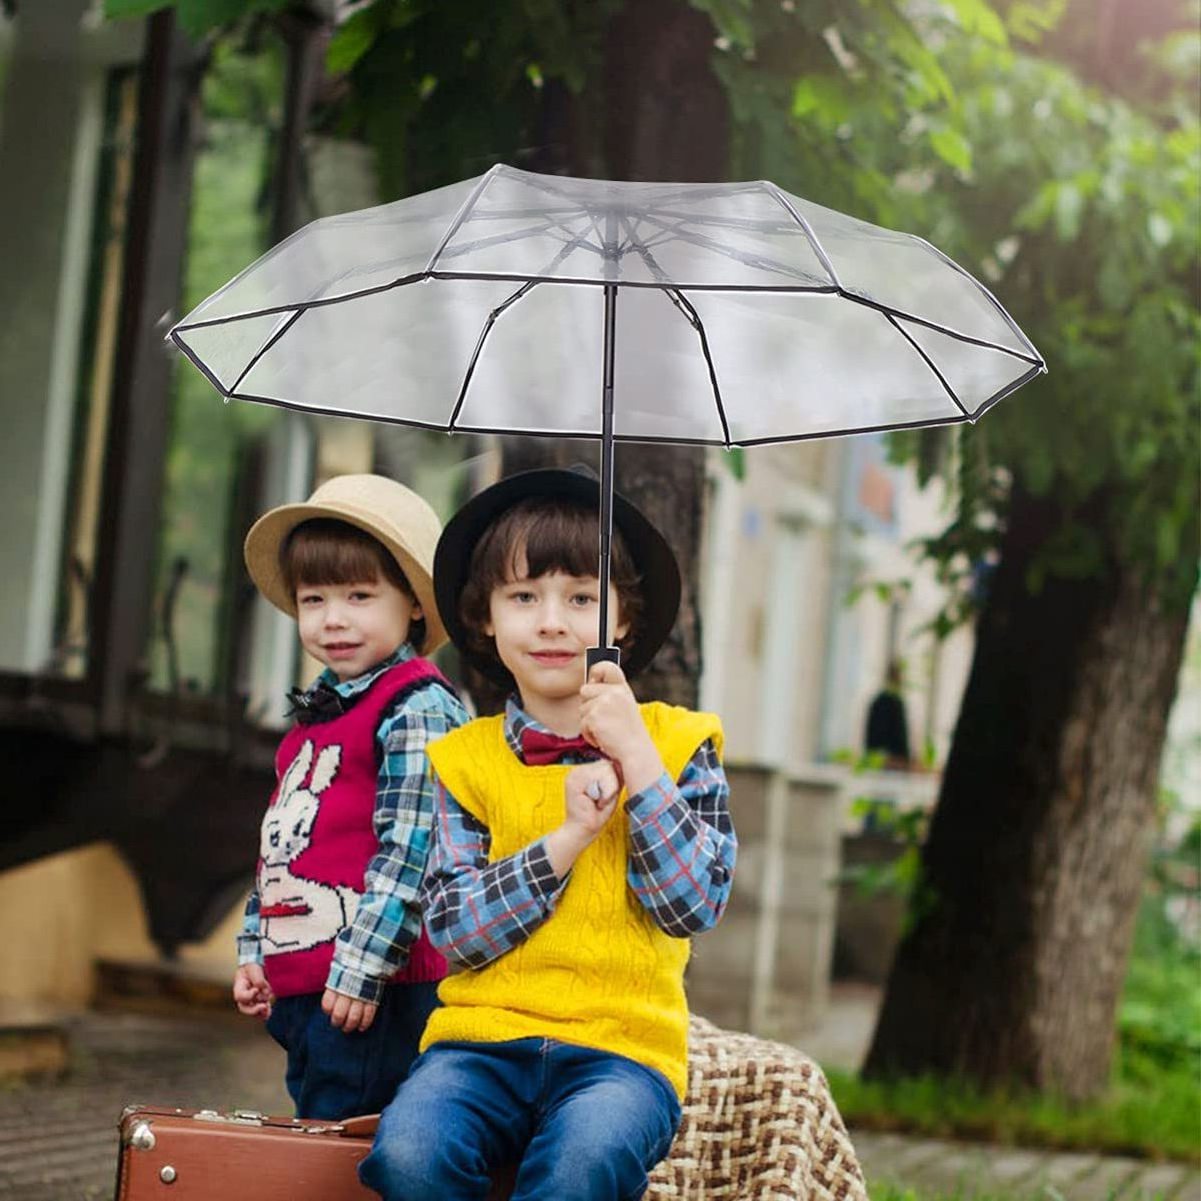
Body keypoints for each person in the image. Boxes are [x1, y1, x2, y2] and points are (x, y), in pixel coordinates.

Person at [359, 468, 739, 1201]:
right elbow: (456, 930)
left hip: (621, 1054)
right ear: (485, 618)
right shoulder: (464, 760)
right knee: (407, 1154)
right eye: (523, 596)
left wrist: (638, 763)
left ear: (622, 620)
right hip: (478, 1044)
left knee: (580, 1166)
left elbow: (692, 906)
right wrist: (564, 839)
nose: (552, 621)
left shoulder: (679, 743)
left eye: (581, 598)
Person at [231, 473, 468, 1120]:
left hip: (376, 988)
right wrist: (256, 949)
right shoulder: (319, 715)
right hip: (305, 987)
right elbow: (282, 848)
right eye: (314, 598)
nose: (333, 618)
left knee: (344, 1141)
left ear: (414, 604)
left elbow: (413, 850)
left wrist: (364, 968)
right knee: (317, 1124)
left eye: (360, 595)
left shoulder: (415, 705)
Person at [864, 658, 912, 770]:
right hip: (893, 761)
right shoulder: (895, 702)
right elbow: (900, 735)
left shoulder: (877, 701)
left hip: (877, 758)